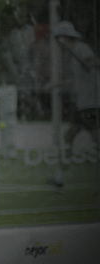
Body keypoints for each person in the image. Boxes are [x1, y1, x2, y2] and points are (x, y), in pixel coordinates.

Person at [48, 21, 98, 190]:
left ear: (64, 38)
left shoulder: (80, 48)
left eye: (58, 39)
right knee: (68, 137)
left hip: (91, 105)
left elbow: (92, 64)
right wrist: (58, 84)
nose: (57, 44)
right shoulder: (73, 54)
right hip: (82, 105)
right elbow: (81, 75)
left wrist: (87, 62)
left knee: (97, 144)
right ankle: (59, 179)